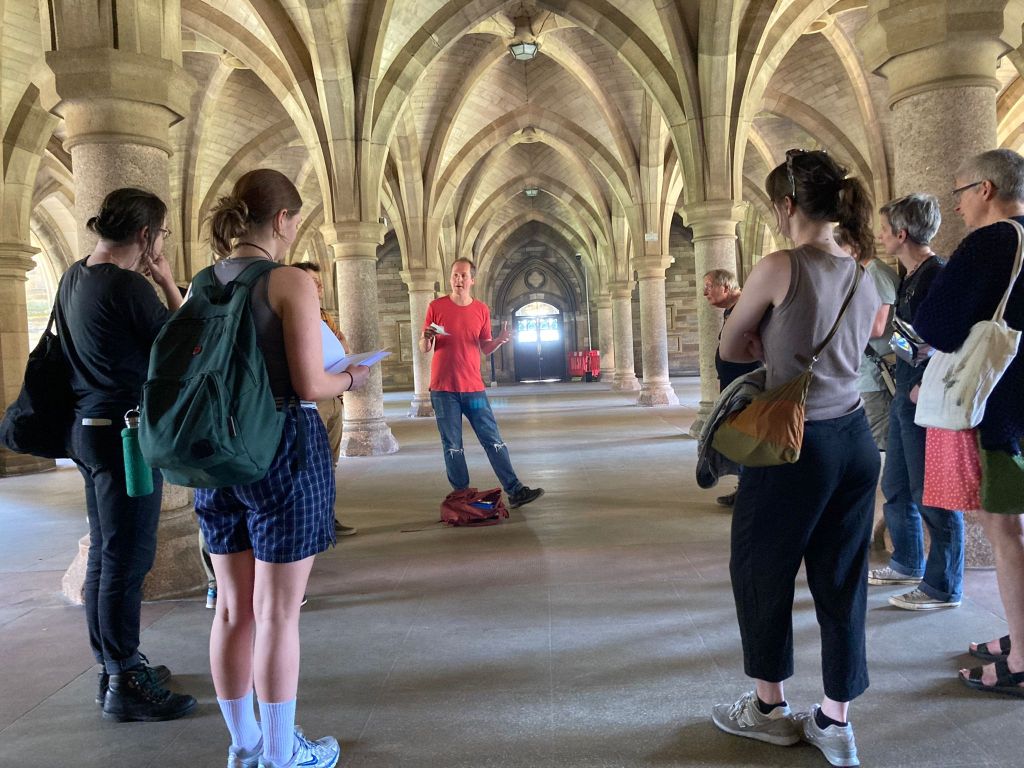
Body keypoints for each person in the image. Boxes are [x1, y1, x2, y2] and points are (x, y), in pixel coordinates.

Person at [710, 150, 881, 768]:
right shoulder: (865, 267)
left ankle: (767, 710)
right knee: (842, 578)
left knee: (761, 567)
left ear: (786, 207)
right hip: (855, 440)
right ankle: (836, 720)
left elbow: (733, 345)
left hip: (792, 442)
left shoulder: (781, 265)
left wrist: (763, 335)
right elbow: (869, 336)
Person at [197, 168, 370, 768]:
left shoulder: (203, 283)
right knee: (277, 611)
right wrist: (352, 377)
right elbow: (308, 383)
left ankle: (244, 745)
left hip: (217, 452)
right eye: (294, 222)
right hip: (282, 449)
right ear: (281, 220)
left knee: (230, 607)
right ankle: (279, 755)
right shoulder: (290, 282)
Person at [55, 188, 196, 721]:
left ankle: (114, 663)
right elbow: (184, 347)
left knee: (108, 552)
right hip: (123, 438)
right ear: (145, 235)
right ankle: (123, 680)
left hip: (87, 432)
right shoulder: (124, 287)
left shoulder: (75, 275)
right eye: (159, 236)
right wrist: (165, 282)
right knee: (128, 556)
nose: (159, 245)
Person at [914, 148, 1024, 695]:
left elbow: (938, 324)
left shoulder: (991, 241)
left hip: (996, 405)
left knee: (1004, 530)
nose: (955, 204)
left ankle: (1022, 660)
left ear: (985, 189)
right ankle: (1019, 634)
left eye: (958, 192)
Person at [866, 194, 965, 611]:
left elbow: (953, 337)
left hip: (922, 394)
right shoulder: (911, 274)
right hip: (906, 388)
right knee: (898, 485)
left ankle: (944, 587)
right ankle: (908, 562)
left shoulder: (936, 274)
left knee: (933, 493)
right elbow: (909, 335)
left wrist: (924, 378)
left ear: (901, 234)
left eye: (884, 229)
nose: (879, 236)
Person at [420, 258, 544, 509]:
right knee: (453, 445)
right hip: (443, 390)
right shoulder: (436, 306)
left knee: (492, 438)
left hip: (474, 387)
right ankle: (462, 495)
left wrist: (499, 340)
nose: (458, 280)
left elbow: (484, 347)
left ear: (472, 280)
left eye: (463, 276)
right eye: (455, 275)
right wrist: (425, 337)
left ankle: (515, 490)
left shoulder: (481, 310)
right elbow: (425, 348)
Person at [292, 261, 357, 537]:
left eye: (319, 282)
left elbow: (342, 348)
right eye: (312, 282)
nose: (319, 287)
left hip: (334, 398)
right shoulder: (295, 316)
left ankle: (328, 517)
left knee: (330, 464)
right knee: (311, 465)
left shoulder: (324, 317)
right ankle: (311, 523)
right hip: (313, 401)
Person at [835, 227, 899, 450]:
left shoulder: (876, 274)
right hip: (866, 372)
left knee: (879, 440)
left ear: (853, 248)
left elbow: (877, 327)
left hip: (876, 373)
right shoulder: (864, 273)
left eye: (837, 249)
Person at [702, 268, 760, 507]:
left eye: (708, 286)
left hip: (747, 388)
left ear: (725, 287)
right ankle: (745, 488)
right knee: (740, 438)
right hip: (736, 386)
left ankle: (750, 491)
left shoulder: (746, 308)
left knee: (747, 439)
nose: (704, 292)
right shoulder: (733, 310)